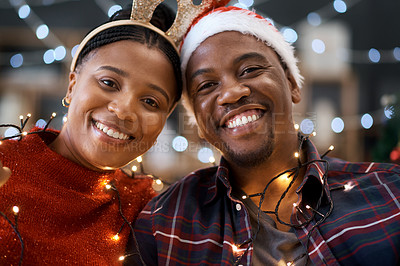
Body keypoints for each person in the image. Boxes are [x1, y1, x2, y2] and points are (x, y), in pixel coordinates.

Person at [132, 4, 400, 266]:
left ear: (293, 84)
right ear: (198, 122)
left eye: (250, 70)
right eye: (207, 85)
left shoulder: (390, 195)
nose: (231, 93)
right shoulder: (163, 224)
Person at [0, 1, 182, 265]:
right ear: (72, 85)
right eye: (109, 83)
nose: (123, 111)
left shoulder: (149, 210)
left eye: (151, 102)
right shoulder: (4, 166)